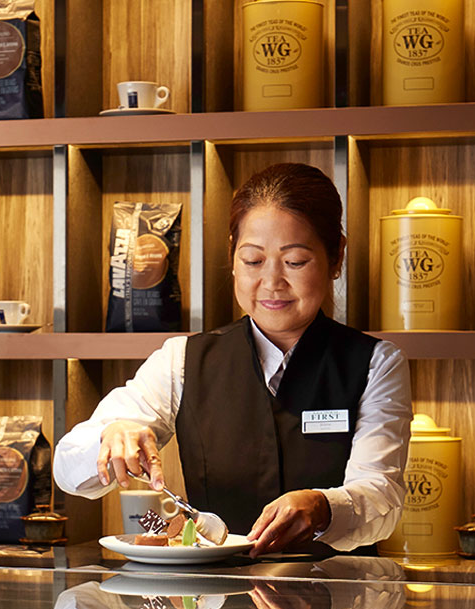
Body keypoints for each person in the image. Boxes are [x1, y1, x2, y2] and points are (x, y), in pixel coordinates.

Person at [54, 162, 412, 555]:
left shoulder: (376, 363)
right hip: (214, 590)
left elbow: (382, 495)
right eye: (253, 261)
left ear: (336, 256)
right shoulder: (182, 360)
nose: (271, 282)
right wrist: (111, 436)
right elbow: (68, 471)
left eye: (295, 261)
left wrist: (324, 507)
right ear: (232, 255)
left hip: (336, 589)